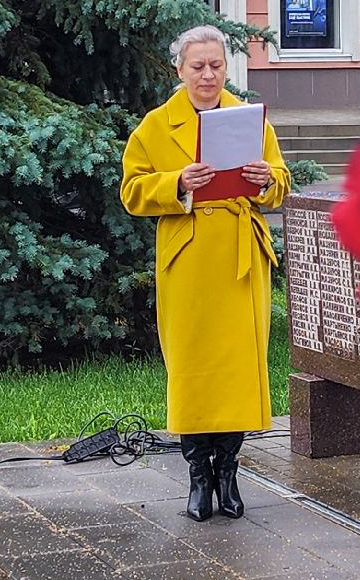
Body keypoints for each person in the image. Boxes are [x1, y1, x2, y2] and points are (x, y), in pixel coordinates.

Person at [120, 25, 291, 521]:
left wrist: (265, 181)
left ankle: (229, 474)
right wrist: (177, 183)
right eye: (198, 66)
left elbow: (280, 183)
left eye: (216, 65)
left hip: (240, 262)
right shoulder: (156, 126)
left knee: (236, 371)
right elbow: (132, 192)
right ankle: (198, 478)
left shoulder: (247, 118)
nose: (209, 75)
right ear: (180, 70)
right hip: (189, 263)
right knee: (196, 373)